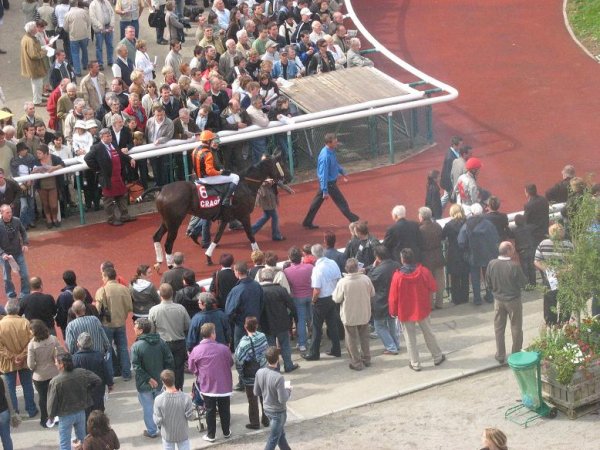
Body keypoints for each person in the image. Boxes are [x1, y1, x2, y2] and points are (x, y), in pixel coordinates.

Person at [389, 248, 446, 371]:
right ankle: (437, 356)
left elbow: (393, 297)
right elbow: (433, 286)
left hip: (405, 311)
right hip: (422, 308)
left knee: (410, 338)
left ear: (402, 260)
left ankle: (415, 363)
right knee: (429, 333)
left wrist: (393, 311)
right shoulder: (424, 271)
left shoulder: (397, 276)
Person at [302, 133, 359, 229]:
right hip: (329, 184)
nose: (337, 142)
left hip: (329, 183)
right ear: (329, 143)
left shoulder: (330, 151)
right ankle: (354, 220)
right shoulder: (325, 156)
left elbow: (334, 164)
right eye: (335, 141)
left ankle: (307, 221)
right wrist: (325, 190)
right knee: (342, 202)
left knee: (316, 203)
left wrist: (341, 171)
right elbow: (323, 174)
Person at [187, 323, 233, 443]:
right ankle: (226, 432)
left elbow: (191, 367)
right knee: (225, 409)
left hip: (207, 385)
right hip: (224, 385)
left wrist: (199, 373)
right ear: (212, 334)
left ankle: (211, 435)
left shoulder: (196, 350)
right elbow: (231, 362)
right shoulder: (224, 348)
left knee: (210, 410)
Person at [131, 317, 174, 439]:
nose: (133, 328)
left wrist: (148, 379)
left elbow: (136, 366)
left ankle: (152, 431)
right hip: (161, 383)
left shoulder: (136, 346)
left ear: (140, 330)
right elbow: (169, 361)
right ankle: (164, 428)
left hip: (144, 384)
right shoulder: (161, 342)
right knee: (161, 407)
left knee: (148, 408)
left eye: (135, 326)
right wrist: (165, 378)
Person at [48, 353, 102, 450]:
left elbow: (52, 402)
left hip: (65, 415)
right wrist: (88, 392)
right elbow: (97, 380)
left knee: (65, 443)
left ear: (61, 365)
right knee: (82, 439)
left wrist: (51, 416)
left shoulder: (55, 381)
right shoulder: (81, 372)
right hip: (81, 411)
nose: (55, 364)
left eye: (56, 362)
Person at [84, 128, 137, 226]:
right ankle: (111, 219)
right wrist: (98, 168)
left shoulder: (113, 144)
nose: (109, 137)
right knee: (108, 199)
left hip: (118, 175)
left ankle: (125, 215)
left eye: (110, 135)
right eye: (107, 136)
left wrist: (130, 159)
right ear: (101, 137)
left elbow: (120, 154)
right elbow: (87, 158)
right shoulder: (97, 147)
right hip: (107, 177)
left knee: (122, 195)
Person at [485, 242, 527, 364]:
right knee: (516, 328)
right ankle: (516, 354)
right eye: (512, 248)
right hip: (513, 300)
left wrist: (495, 291)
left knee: (499, 328)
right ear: (508, 250)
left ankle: (500, 355)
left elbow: (488, 281)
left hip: (498, 300)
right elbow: (523, 283)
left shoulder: (492, 264)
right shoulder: (514, 266)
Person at [332, 258, 375, 371]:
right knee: (364, 337)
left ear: (346, 269)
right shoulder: (366, 279)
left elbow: (336, 299)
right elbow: (372, 293)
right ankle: (367, 358)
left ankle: (356, 362)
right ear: (357, 268)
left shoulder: (343, 282)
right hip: (364, 313)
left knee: (351, 339)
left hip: (349, 314)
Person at [302, 244, 342, 361]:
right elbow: (338, 279)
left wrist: (313, 301)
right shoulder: (333, 263)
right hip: (332, 297)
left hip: (321, 300)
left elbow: (316, 289)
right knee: (332, 324)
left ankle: (314, 353)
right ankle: (336, 349)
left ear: (314, 256)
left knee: (317, 327)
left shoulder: (317, 269)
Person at [148, 283, 191, 391]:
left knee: (164, 370)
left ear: (160, 295)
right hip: (179, 343)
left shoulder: (154, 310)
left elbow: (151, 330)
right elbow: (187, 326)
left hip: (163, 344)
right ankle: (178, 390)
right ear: (172, 294)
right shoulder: (181, 308)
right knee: (179, 370)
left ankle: (166, 390)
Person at [95, 265, 133, 380]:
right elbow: (129, 307)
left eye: (103, 276)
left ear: (106, 277)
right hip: (121, 323)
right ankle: (126, 374)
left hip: (107, 324)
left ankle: (110, 376)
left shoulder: (102, 290)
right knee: (123, 348)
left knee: (107, 350)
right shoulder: (124, 289)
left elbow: (97, 309)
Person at [0, 299, 37, 418]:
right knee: (27, 385)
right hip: (24, 360)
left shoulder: (1, 324)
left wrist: (12, 356)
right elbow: (32, 340)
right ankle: (31, 409)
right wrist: (21, 355)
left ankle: (14, 412)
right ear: (18, 310)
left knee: (10, 388)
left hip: (7, 362)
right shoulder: (25, 322)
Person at [258, 268, 299, 373]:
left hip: (266, 325)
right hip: (282, 323)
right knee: (285, 345)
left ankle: (274, 368)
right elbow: (291, 305)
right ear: (272, 278)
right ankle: (288, 365)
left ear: (262, 278)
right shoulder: (281, 289)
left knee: (271, 348)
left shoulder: (259, 291)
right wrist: (295, 317)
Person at [458, 203, 499, 305]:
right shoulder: (489, 224)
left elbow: (461, 241)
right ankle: (490, 296)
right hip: (488, 253)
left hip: (473, 254)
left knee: (475, 277)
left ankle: (477, 299)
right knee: (488, 276)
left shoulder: (467, 225)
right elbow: (496, 237)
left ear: (472, 213)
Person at [254, 346, 293, 450]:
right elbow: (282, 399)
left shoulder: (259, 372)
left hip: (267, 409)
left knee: (280, 434)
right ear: (278, 359)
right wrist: (288, 390)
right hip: (278, 412)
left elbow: (256, 392)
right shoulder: (278, 377)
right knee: (273, 439)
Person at [534, 223, 574, 325]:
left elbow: (536, 261)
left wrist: (548, 271)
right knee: (565, 303)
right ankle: (564, 325)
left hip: (550, 278)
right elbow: (573, 263)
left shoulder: (543, 243)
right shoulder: (568, 244)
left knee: (550, 302)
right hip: (565, 278)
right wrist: (563, 271)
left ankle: (551, 326)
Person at [27, 320, 63, 428]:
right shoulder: (53, 339)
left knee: (43, 399)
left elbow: (30, 365)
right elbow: (61, 352)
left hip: (40, 375)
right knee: (55, 397)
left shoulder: (32, 345)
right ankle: (57, 418)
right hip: (54, 372)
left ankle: (45, 420)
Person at [235, 316, 269, 430]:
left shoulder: (244, 343)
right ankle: (266, 419)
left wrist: (241, 375)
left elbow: (239, 361)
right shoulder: (262, 336)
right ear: (257, 326)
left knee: (252, 400)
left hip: (251, 377)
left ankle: (255, 422)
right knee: (264, 397)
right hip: (263, 372)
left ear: (245, 327)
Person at [191, 129, 239, 207]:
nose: (214, 141)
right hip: (207, 178)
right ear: (209, 141)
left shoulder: (195, 150)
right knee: (236, 177)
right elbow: (210, 171)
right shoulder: (208, 153)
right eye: (212, 140)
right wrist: (221, 172)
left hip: (198, 177)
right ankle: (226, 200)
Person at [225, 261, 264, 355]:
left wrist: (234, 320)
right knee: (257, 347)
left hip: (241, 324)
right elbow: (262, 303)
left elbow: (229, 311)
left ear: (238, 272)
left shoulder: (237, 290)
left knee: (240, 349)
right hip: (255, 322)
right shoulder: (257, 285)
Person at [368, 245, 401, 354]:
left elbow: (370, 279)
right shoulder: (396, 265)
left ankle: (391, 347)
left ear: (378, 257)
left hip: (381, 301)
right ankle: (396, 344)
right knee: (391, 323)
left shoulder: (378, 270)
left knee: (379, 326)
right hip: (394, 299)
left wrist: (373, 267)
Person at [72, 332, 113, 417]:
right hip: (98, 388)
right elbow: (106, 371)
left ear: (78, 344)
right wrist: (110, 383)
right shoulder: (98, 355)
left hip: (83, 390)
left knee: (86, 412)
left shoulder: (74, 358)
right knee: (99, 409)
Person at [153, 369, 194, 450]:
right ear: (174, 379)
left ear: (163, 382)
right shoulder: (186, 398)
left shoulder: (158, 399)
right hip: (182, 434)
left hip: (167, 435)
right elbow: (191, 417)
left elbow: (158, 421)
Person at [283, 246, 313, 353]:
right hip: (310, 295)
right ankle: (314, 339)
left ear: (290, 258)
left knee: (301, 321)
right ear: (301, 257)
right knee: (312, 318)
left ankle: (302, 344)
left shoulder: (286, 271)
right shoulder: (309, 267)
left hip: (297, 298)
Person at [441, 204, 470, 305]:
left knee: (455, 277)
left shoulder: (448, 225)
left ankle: (456, 299)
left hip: (454, 253)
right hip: (466, 251)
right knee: (465, 275)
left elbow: (442, 236)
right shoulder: (467, 222)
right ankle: (465, 297)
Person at [418, 207, 445, 309]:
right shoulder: (437, 226)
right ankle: (440, 303)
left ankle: (430, 305)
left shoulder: (420, 229)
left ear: (422, 217)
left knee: (428, 282)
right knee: (439, 281)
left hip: (426, 258)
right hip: (438, 255)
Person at [21, 21, 49, 106]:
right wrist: (44, 52)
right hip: (34, 66)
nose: (36, 28)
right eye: (35, 27)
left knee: (37, 83)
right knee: (37, 83)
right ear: (32, 29)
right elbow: (34, 55)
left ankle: (38, 98)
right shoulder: (30, 40)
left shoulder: (27, 38)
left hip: (32, 65)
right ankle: (37, 101)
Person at [512, 214, 537, 287]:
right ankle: (533, 283)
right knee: (532, 267)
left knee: (524, 269)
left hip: (522, 251)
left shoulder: (515, 230)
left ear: (515, 222)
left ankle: (527, 285)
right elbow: (536, 226)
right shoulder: (530, 227)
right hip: (531, 249)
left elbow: (510, 234)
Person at [89, 0, 115, 71]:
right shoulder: (93, 4)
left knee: (110, 45)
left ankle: (110, 61)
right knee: (99, 47)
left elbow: (112, 13)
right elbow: (92, 18)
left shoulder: (107, 2)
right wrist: (101, 27)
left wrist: (111, 25)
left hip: (108, 26)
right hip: (99, 29)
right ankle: (100, 64)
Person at [524, 183, 550, 247]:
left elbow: (526, 219)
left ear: (527, 193)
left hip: (535, 232)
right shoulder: (544, 199)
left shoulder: (528, 205)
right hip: (545, 228)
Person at [439, 136, 462, 206]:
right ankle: (436, 210)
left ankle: (436, 209)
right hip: (449, 183)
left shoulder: (454, 153)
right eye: (460, 145)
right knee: (449, 197)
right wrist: (451, 186)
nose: (461, 147)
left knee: (445, 197)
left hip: (450, 182)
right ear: (455, 145)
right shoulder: (450, 157)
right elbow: (448, 173)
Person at [0, 376, 14, 450]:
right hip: (3, 411)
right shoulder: (2, 378)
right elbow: (7, 396)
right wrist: (12, 412)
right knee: (6, 438)